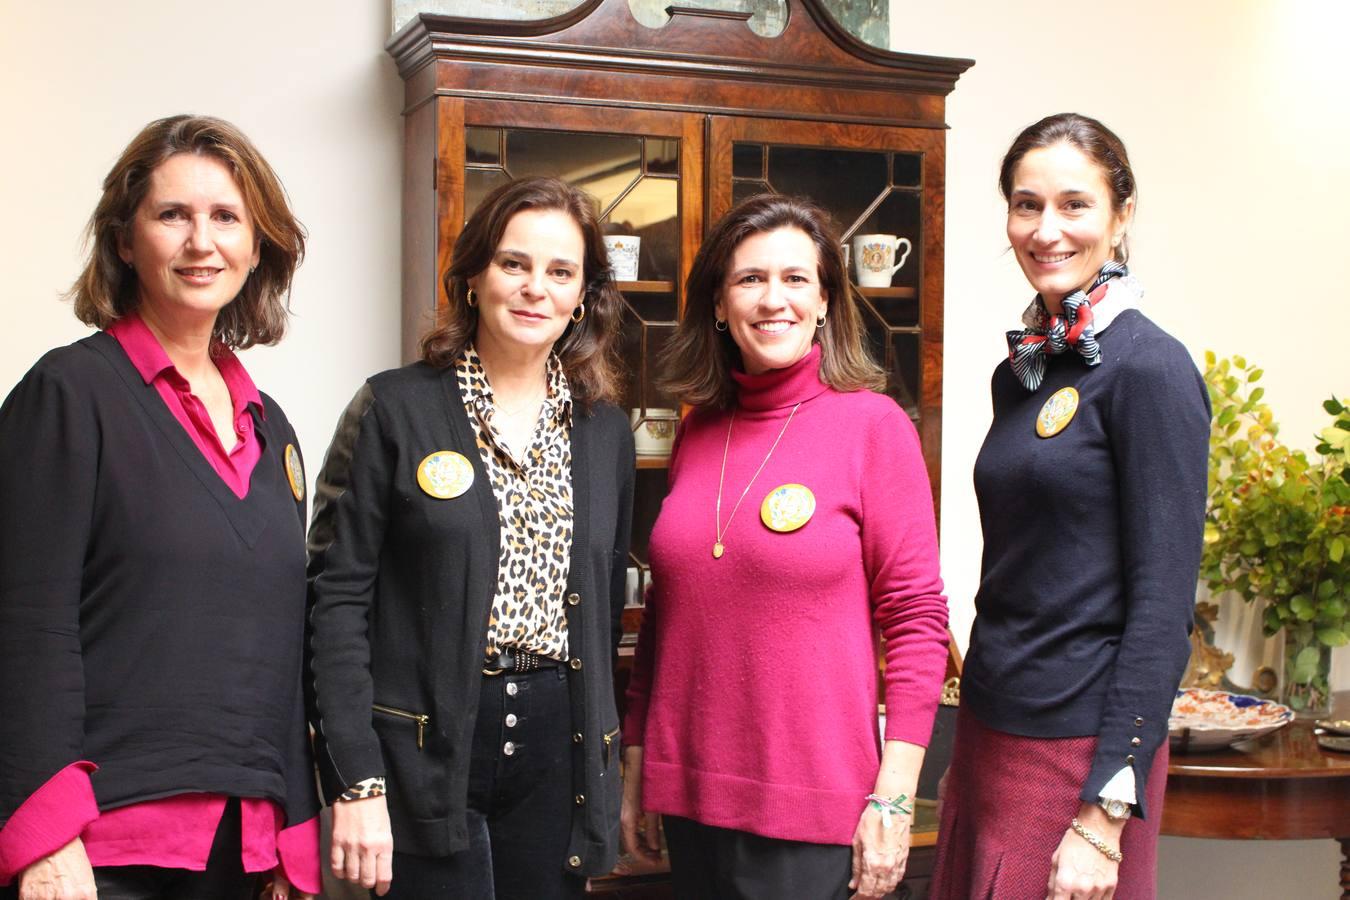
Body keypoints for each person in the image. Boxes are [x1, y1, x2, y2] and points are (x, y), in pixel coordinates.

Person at [0, 115, 319, 900]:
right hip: (103, 847)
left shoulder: (271, 429)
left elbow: (284, 644)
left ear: (257, 245)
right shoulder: (68, 395)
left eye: (226, 218)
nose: (200, 241)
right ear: (124, 240)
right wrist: (44, 833)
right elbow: (23, 623)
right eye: (173, 215)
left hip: (242, 849)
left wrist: (291, 838)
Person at [307, 175, 634, 900]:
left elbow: (605, 611)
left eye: (560, 272)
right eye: (514, 264)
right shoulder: (395, 408)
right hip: (421, 746)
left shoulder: (604, 431)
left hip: (561, 748)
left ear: (583, 295)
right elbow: (336, 602)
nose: (534, 289)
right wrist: (354, 778)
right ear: (475, 275)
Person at [620, 194, 951, 900]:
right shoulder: (698, 429)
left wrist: (893, 797)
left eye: (797, 279)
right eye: (750, 279)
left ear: (826, 301)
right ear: (718, 302)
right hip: (689, 797)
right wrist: (639, 761)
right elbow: (663, 618)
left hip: (812, 807)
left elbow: (919, 620)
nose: (775, 299)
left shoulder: (873, 425)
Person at [930, 113, 1210, 900]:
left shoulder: (1149, 368)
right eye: (1026, 205)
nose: (1046, 229)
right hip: (991, 731)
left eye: (1074, 205)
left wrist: (1104, 813)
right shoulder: (1022, 372)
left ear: (1122, 214)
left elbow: (1162, 607)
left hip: (1080, 750)